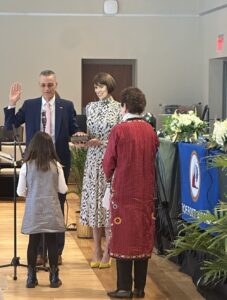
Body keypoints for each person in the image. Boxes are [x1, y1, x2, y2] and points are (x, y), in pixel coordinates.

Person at [4, 70, 79, 265]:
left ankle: (57, 252)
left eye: (50, 85)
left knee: (58, 206)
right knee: (36, 207)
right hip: (35, 163)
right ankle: (38, 253)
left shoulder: (67, 106)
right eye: (44, 85)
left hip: (59, 162)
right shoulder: (30, 105)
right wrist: (12, 104)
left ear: (56, 84)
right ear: (39, 85)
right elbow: (10, 125)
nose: (47, 88)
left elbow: (73, 130)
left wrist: (81, 136)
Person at [103, 87, 159, 298]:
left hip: (124, 193)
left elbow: (109, 162)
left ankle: (124, 288)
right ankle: (140, 289)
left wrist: (109, 176)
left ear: (124, 106)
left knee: (124, 238)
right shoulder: (150, 130)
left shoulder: (119, 130)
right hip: (145, 193)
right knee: (142, 237)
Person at [79, 72, 121, 268]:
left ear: (109, 86)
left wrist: (102, 142)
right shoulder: (90, 107)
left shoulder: (119, 108)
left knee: (107, 206)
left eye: (101, 86)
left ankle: (108, 251)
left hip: (110, 160)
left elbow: (118, 139)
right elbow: (89, 134)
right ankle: (95, 249)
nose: (98, 90)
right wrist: (83, 139)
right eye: (95, 87)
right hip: (92, 160)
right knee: (94, 205)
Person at [17, 131, 68, 288]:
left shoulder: (27, 166)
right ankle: (53, 278)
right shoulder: (56, 165)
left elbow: (20, 192)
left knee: (33, 242)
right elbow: (63, 189)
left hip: (34, 208)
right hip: (51, 208)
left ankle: (31, 278)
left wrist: (32, 193)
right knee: (52, 241)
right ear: (50, 148)